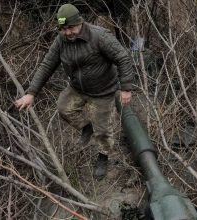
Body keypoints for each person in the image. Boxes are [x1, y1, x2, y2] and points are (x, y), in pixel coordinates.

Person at [15, 3, 134, 180]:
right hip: (78, 88)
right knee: (64, 108)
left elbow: (123, 58)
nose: (68, 32)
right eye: (64, 29)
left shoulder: (99, 36)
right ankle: (86, 127)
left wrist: (126, 88)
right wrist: (31, 93)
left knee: (104, 131)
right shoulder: (61, 40)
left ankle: (103, 157)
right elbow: (47, 65)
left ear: (80, 22)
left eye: (71, 27)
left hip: (103, 91)